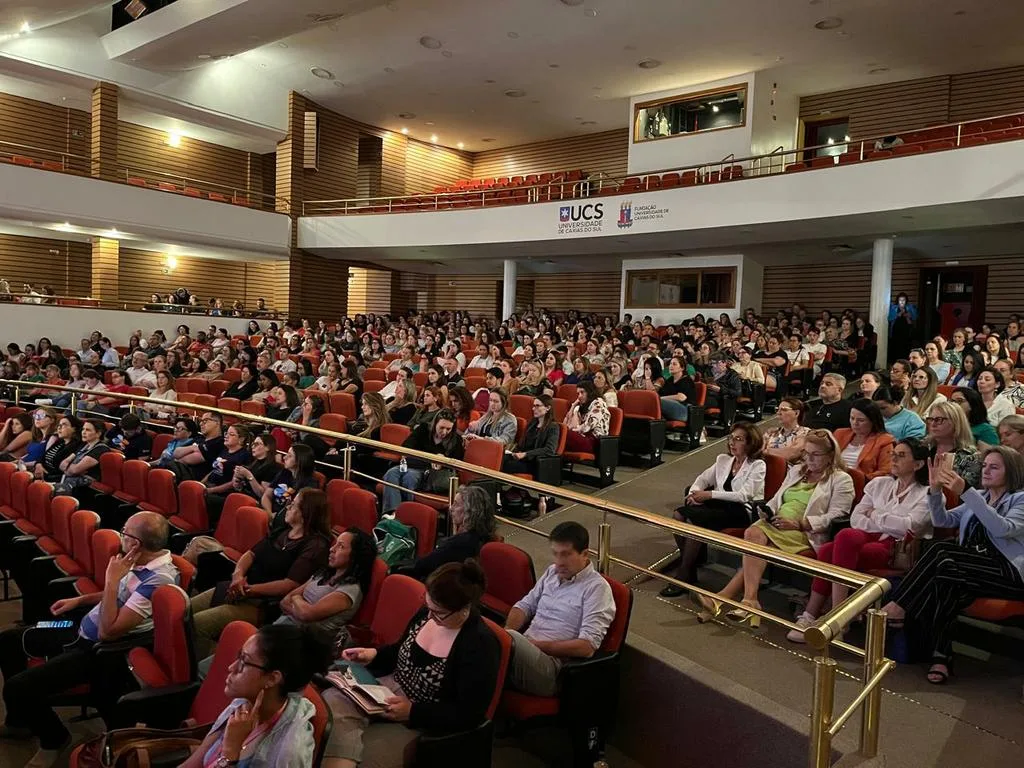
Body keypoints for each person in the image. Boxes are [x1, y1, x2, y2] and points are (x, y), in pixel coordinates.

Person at [0, 512, 178, 766]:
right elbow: (113, 596)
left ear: (135, 543)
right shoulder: (136, 562)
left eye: (124, 532)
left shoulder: (158, 580)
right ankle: (19, 723)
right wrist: (80, 600)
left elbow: (108, 631)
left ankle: (54, 739)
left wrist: (112, 578)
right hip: (74, 627)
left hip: (94, 650)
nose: (120, 535)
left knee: (18, 686)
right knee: (10, 639)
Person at [323, 560, 501, 768]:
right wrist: (372, 654)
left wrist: (413, 712)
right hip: (387, 693)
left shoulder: (480, 645)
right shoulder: (426, 614)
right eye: (428, 606)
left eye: (438, 612)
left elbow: (469, 713)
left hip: (423, 720)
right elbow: (399, 650)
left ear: (463, 609)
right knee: (329, 704)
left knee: (367, 756)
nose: (431, 616)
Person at [880, 446, 1024, 684]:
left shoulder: (1019, 499)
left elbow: (1002, 528)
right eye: (985, 466)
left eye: (994, 467)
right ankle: (941, 657)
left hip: (1007, 573)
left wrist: (967, 491)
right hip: (973, 569)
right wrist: (935, 492)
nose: (986, 471)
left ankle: (900, 605)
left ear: (1012, 471)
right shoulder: (982, 497)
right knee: (946, 580)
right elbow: (942, 520)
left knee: (941, 550)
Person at [695, 430, 854, 624]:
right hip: (778, 524)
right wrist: (767, 511)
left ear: (830, 455)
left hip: (805, 532)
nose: (809, 459)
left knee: (755, 538)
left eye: (815, 454)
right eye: (806, 453)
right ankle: (747, 600)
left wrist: (800, 524)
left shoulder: (841, 479)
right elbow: (777, 499)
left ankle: (727, 598)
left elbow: (838, 516)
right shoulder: (797, 470)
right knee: (756, 536)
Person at [787, 438, 932, 643]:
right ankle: (824, 618)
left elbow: (910, 527)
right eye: (893, 454)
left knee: (833, 548)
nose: (894, 459)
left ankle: (831, 618)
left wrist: (875, 515)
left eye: (901, 455)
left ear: (917, 464)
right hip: (866, 539)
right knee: (841, 540)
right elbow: (856, 518)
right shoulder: (879, 484)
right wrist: (886, 521)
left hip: (897, 549)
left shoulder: (928, 494)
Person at [191, 488, 331, 657]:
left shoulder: (316, 545)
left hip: (263, 604)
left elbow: (290, 584)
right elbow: (251, 554)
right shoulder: (283, 531)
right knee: (186, 609)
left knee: (196, 624)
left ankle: (212, 668)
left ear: (305, 513)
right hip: (239, 589)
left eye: (293, 505)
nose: (287, 507)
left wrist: (248, 589)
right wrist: (238, 576)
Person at [181, 624, 330, 768]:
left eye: (244, 661)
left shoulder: (288, 754)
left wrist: (230, 753)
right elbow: (193, 763)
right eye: (238, 656)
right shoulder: (244, 704)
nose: (231, 667)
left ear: (271, 679)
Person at [504, 521, 616, 696]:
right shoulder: (551, 573)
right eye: (555, 554)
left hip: (553, 670)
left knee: (492, 649)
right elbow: (524, 606)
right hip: (525, 651)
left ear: (585, 554)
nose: (559, 562)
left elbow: (586, 647)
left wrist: (532, 645)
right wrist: (506, 635)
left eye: (565, 555)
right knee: (485, 640)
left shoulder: (597, 588)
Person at [660, 424, 767, 598]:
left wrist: (709, 495)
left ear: (750, 442)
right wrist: (694, 493)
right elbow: (702, 479)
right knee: (678, 514)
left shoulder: (758, 465)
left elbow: (744, 495)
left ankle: (685, 574)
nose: (732, 443)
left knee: (696, 521)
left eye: (738, 439)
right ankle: (690, 566)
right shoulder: (723, 460)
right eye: (731, 438)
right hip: (718, 505)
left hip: (741, 511)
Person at [274, 527, 377, 649]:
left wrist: (296, 599)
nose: (332, 549)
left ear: (355, 556)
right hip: (285, 627)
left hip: (306, 642)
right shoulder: (323, 574)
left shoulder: (350, 589)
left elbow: (307, 614)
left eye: (341, 546)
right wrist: (300, 610)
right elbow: (284, 601)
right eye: (335, 544)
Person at [407, 485, 497, 581]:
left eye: (456, 504)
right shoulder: (485, 536)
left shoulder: (461, 543)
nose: (451, 508)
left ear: (470, 511)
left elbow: (423, 566)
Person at [381, 409, 462, 513]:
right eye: (441, 427)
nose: (444, 432)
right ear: (434, 424)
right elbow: (407, 446)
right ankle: (392, 512)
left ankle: (405, 513)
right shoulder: (423, 429)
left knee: (409, 477)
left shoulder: (456, 440)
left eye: (448, 429)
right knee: (391, 473)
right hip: (412, 463)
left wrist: (444, 460)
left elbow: (458, 463)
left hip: (430, 473)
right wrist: (431, 457)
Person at [925, 401, 982, 489]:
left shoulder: (971, 457)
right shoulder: (922, 448)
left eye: (939, 420)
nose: (933, 424)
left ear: (956, 423)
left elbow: (965, 494)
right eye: (930, 419)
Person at [833, 398, 895, 480]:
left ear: (873, 421)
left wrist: (859, 478)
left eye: (861, 420)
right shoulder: (839, 434)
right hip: (833, 479)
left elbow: (886, 472)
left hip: (862, 484)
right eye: (852, 418)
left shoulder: (884, 441)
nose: (855, 423)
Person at [501, 394, 559, 475]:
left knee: (505, 465)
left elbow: (549, 449)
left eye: (537, 406)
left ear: (548, 408)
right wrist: (513, 452)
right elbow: (521, 445)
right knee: (500, 458)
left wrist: (526, 454)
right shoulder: (532, 424)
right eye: (533, 406)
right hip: (523, 458)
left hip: (536, 462)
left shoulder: (553, 427)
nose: (533, 409)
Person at [658, 357, 697, 423]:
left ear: (682, 368)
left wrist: (660, 399)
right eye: (670, 364)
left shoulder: (687, 380)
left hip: (686, 411)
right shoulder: (670, 380)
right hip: (673, 407)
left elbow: (681, 397)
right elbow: (660, 393)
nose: (671, 366)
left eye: (674, 364)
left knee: (658, 402)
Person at [888, 292, 917, 362]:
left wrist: (908, 315)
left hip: (906, 331)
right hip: (896, 331)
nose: (902, 301)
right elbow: (890, 318)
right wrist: (898, 314)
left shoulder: (910, 307)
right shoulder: (894, 307)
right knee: (896, 348)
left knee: (905, 348)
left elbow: (915, 317)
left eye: (903, 300)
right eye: (900, 300)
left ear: (906, 300)